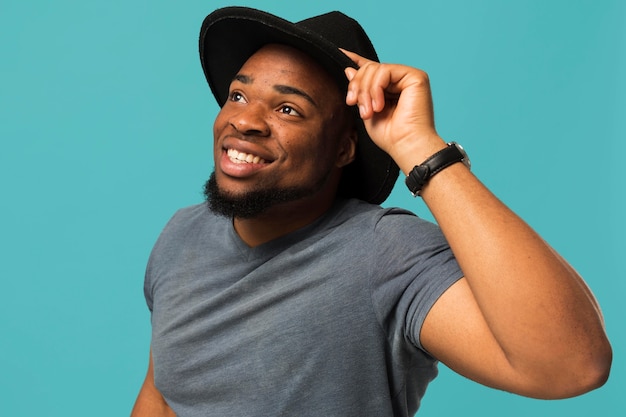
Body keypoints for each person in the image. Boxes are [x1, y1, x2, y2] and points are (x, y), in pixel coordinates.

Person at [131, 6, 612, 417]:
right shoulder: (182, 235)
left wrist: (418, 146)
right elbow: (164, 395)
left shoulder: (384, 252)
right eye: (239, 95)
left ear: (344, 148)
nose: (244, 120)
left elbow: (571, 364)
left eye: (288, 110)